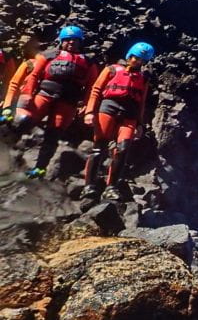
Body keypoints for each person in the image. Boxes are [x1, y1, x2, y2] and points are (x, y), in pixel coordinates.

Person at [8, 25, 98, 179]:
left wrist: (87, 107)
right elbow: (34, 75)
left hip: (67, 103)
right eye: (68, 39)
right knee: (23, 124)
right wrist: (28, 94)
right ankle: (8, 156)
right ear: (61, 40)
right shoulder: (48, 55)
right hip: (44, 95)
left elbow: (92, 87)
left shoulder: (89, 63)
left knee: (53, 135)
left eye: (75, 40)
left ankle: (39, 169)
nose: (71, 42)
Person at [81, 41, 155, 200]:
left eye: (141, 60)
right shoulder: (112, 69)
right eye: (135, 57)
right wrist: (90, 112)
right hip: (108, 108)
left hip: (129, 115)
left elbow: (141, 102)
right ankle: (88, 186)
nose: (136, 61)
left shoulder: (143, 78)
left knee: (123, 149)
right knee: (99, 147)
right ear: (130, 55)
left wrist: (140, 124)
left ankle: (111, 187)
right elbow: (96, 90)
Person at [0, 37, 42, 125]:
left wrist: (6, 103)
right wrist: (6, 104)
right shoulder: (28, 63)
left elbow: (10, 82)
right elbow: (13, 83)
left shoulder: (30, 63)